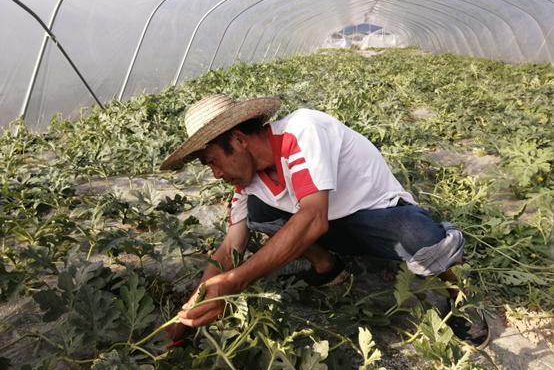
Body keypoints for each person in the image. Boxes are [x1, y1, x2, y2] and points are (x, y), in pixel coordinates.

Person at [160, 94, 490, 349]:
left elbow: (313, 218)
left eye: (213, 161)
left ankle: (457, 295)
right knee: (259, 213)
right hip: (331, 227)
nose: (216, 173)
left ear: (238, 140)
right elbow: (230, 247)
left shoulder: (302, 130)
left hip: (376, 217)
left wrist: (237, 281)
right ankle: (328, 266)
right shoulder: (247, 184)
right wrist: (188, 314)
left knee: (418, 235)